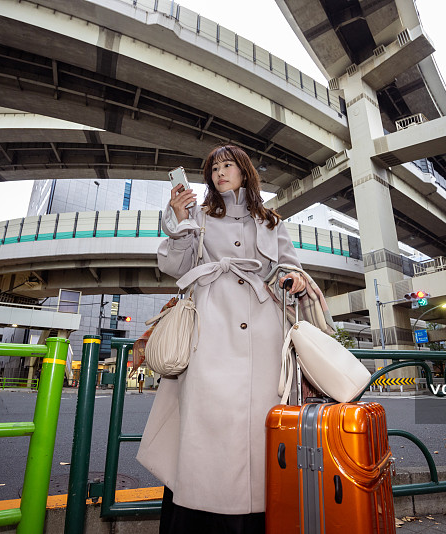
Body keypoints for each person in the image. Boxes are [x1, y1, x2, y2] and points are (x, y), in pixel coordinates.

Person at [136, 144, 306, 533]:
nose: (220, 173)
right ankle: (203, 509)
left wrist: (293, 278)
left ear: (245, 171)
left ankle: (260, 510)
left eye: (228, 165)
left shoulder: (270, 220)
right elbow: (175, 266)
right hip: (210, 327)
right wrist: (178, 222)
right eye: (214, 168)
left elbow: (289, 264)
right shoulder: (197, 215)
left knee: (262, 419)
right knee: (208, 415)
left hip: (263, 330)